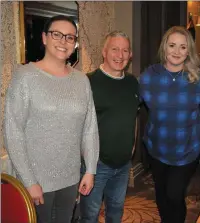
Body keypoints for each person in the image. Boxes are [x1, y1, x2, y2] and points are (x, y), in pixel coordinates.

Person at [3, 15, 99, 222]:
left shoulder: (82, 80)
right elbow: (13, 131)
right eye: (57, 34)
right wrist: (29, 181)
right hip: (37, 180)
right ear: (44, 38)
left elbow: (90, 128)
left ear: (75, 44)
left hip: (70, 177)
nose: (63, 41)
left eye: (70, 37)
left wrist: (90, 169)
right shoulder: (25, 76)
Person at [139, 26, 200, 223]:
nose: (177, 52)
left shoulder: (198, 79)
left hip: (187, 149)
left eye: (183, 47)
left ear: (189, 51)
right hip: (157, 147)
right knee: (161, 192)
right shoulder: (148, 77)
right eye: (172, 45)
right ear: (164, 47)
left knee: (174, 193)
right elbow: (130, 101)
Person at [80, 31, 140, 223]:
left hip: (123, 165)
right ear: (104, 52)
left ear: (130, 55)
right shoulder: (88, 82)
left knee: (116, 212)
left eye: (125, 50)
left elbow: (134, 118)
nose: (120, 55)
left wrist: (131, 149)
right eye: (115, 49)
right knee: (90, 215)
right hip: (95, 166)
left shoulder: (132, 83)